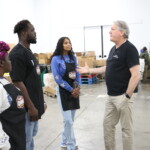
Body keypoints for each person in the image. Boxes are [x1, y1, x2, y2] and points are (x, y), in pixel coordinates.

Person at [77, 21, 141, 150]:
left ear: (122, 32)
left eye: (112, 29)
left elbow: (136, 75)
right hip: (111, 96)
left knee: (126, 130)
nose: (109, 31)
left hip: (124, 97)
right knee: (107, 126)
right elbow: (108, 68)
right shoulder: (113, 49)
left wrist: (127, 96)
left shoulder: (130, 49)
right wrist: (89, 71)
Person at [9, 20, 46, 150]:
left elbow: (33, 80)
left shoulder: (28, 52)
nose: (35, 33)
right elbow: (18, 82)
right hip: (26, 108)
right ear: (24, 33)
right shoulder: (17, 54)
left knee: (31, 138)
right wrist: (30, 107)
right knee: (25, 141)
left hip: (34, 104)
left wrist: (42, 102)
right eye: (32, 30)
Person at [50, 37, 80, 150]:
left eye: (69, 42)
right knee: (68, 120)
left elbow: (77, 73)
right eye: (66, 43)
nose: (69, 44)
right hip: (64, 91)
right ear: (61, 45)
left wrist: (77, 88)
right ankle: (71, 146)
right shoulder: (55, 59)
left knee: (70, 120)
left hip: (74, 91)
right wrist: (70, 89)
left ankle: (63, 141)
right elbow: (57, 78)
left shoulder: (73, 57)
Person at [0, 41, 26, 150]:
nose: (11, 62)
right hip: (10, 145)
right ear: (1, 63)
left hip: (17, 138)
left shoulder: (4, 80)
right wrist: (5, 146)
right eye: (8, 59)